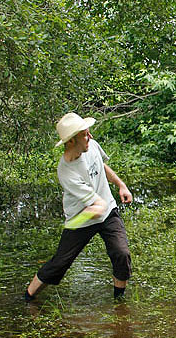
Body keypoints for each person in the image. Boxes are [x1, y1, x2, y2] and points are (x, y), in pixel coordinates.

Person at [24, 112, 134, 302]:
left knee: (121, 253)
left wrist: (121, 185)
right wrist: (79, 221)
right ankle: (27, 298)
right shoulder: (66, 172)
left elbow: (102, 166)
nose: (89, 137)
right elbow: (95, 205)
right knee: (60, 263)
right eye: (84, 134)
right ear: (71, 141)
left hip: (107, 211)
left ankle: (119, 302)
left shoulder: (91, 146)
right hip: (80, 218)